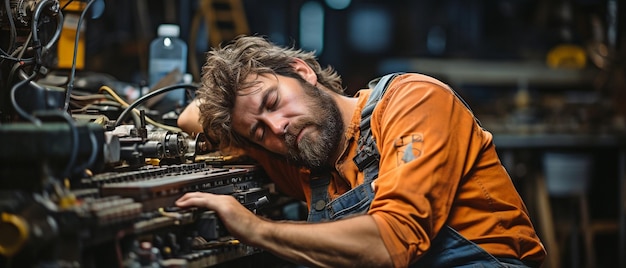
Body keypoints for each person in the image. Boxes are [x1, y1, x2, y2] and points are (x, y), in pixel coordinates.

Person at [175, 35, 546, 267]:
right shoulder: (305, 159)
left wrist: (257, 229)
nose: (277, 127)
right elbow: (188, 119)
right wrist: (234, 115)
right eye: (258, 130)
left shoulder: (412, 101)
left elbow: (392, 242)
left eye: (272, 101)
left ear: (302, 72)